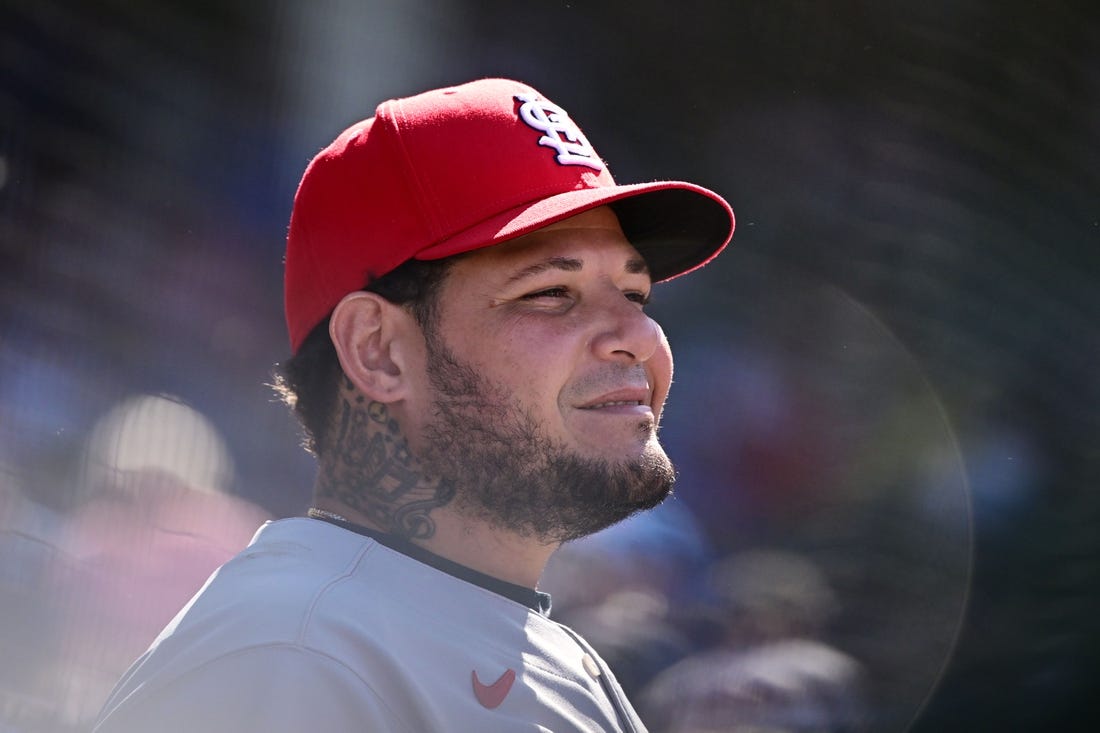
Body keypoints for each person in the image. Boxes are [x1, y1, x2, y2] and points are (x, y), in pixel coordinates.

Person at [92, 77, 734, 732]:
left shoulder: (554, 658)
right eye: (551, 292)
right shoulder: (289, 658)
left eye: (634, 293)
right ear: (379, 351)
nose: (638, 336)